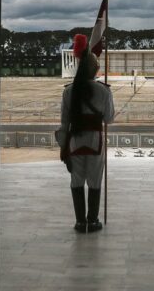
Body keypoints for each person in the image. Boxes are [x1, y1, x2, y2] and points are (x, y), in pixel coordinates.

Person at [59, 34, 115, 233]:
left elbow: (64, 123)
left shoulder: (68, 91)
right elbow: (109, 119)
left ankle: (80, 221)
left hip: (75, 141)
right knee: (94, 181)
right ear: (95, 70)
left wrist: (63, 147)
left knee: (76, 181)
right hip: (95, 141)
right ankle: (93, 220)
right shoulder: (104, 91)